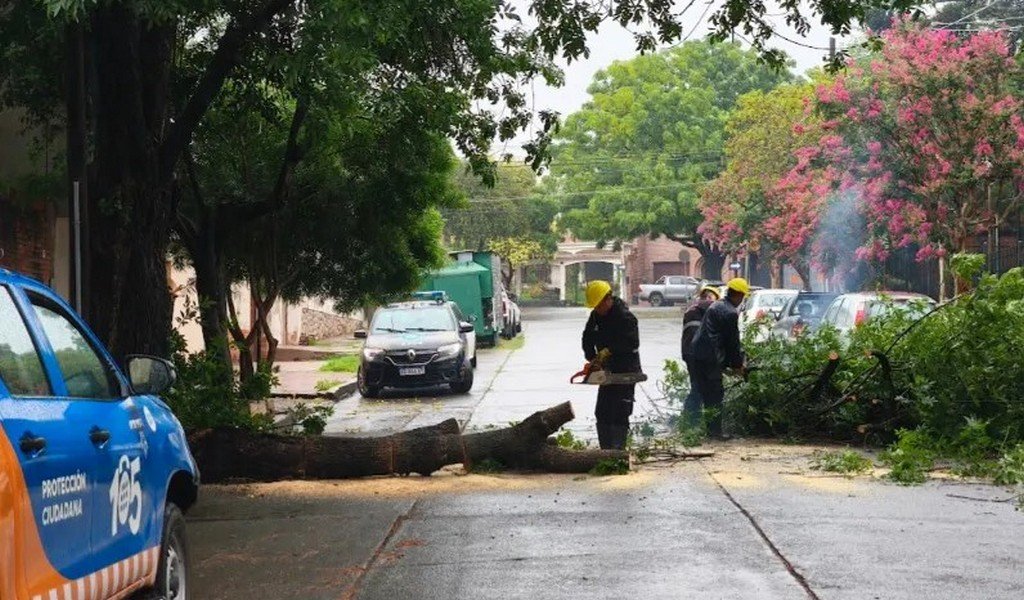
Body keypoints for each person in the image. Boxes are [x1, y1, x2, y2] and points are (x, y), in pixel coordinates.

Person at [581, 280, 641, 450]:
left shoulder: (625, 317)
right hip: (606, 370)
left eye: (600, 305)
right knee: (602, 411)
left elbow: (632, 343)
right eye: (595, 307)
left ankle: (617, 451)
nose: (598, 310)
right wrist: (592, 358)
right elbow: (587, 337)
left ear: (608, 299)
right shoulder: (596, 315)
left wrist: (609, 351)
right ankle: (605, 451)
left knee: (620, 411)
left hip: (626, 369)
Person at [689, 277, 750, 439]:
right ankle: (715, 433)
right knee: (715, 394)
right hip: (710, 357)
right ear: (738, 295)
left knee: (702, 392)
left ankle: (694, 426)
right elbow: (732, 342)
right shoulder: (730, 312)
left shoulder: (716, 305)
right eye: (743, 297)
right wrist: (737, 365)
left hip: (697, 354)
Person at [680, 285, 721, 427]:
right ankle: (698, 424)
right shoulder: (712, 309)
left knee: (696, 386)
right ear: (711, 297)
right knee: (707, 389)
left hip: (689, 353)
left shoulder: (690, 310)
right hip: (703, 356)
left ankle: (690, 423)